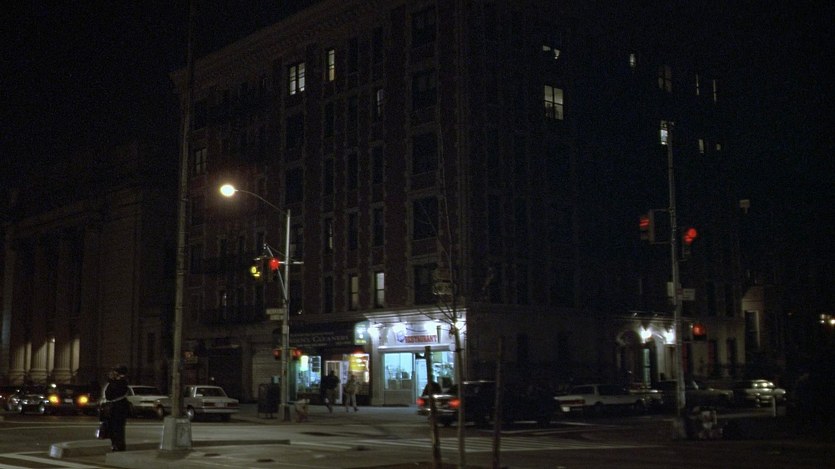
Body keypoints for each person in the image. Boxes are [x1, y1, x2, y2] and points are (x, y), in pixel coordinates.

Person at [102, 364, 130, 451]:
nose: (113, 373)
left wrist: (111, 380)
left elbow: (111, 394)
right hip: (115, 408)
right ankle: (115, 444)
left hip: (118, 408)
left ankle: (118, 445)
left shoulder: (122, 382)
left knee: (117, 428)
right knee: (113, 427)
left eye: (115, 371)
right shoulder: (117, 382)